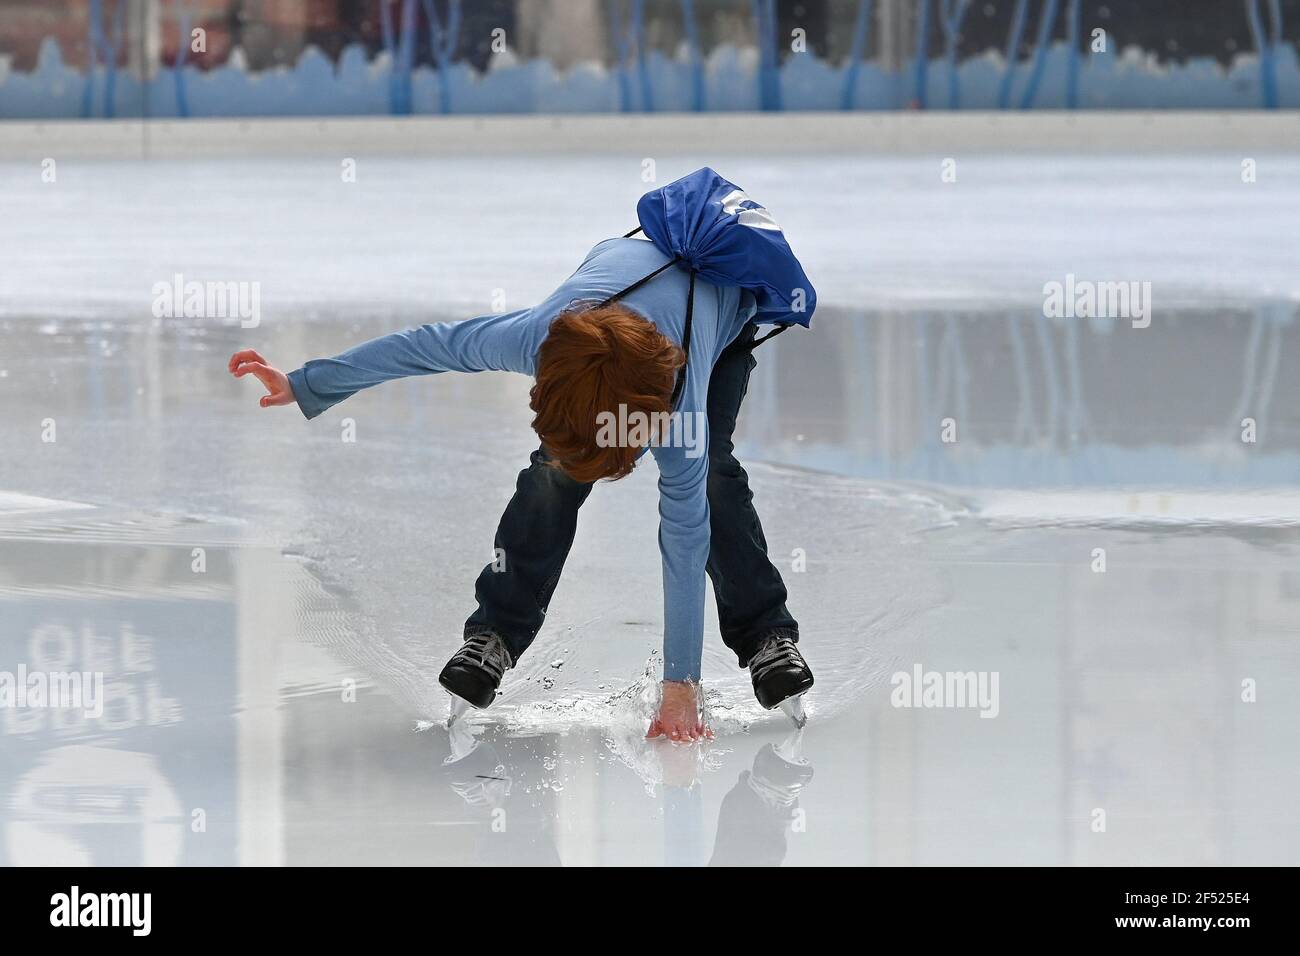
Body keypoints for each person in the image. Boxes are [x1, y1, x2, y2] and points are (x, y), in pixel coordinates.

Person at [228, 170, 814, 742]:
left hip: (720, 317)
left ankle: (766, 635)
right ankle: (495, 635)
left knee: (708, 477)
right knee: (553, 476)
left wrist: (681, 684)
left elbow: (684, 541)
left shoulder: (679, 411)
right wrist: (306, 383)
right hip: (606, 343)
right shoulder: (537, 336)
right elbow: (424, 348)